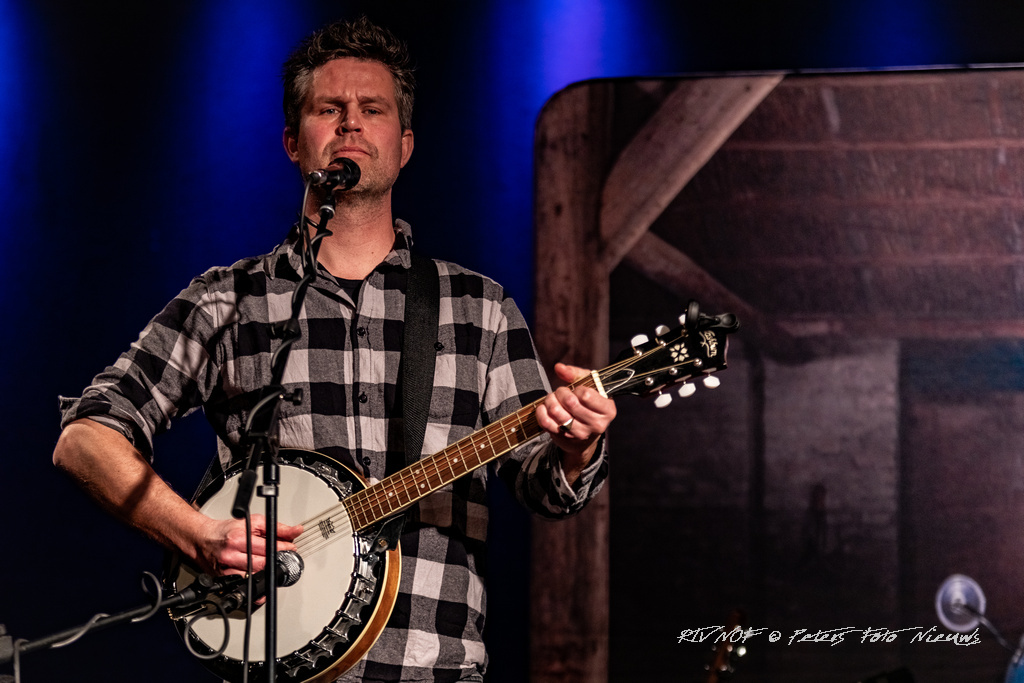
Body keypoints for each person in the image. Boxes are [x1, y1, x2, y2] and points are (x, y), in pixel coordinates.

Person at [52, 15, 615, 683]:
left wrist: (577, 447)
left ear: (404, 146)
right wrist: (195, 533)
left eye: (372, 109)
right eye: (329, 109)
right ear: (294, 143)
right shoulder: (229, 299)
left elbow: (548, 489)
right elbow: (84, 439)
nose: (351, 123)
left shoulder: (479, 307)